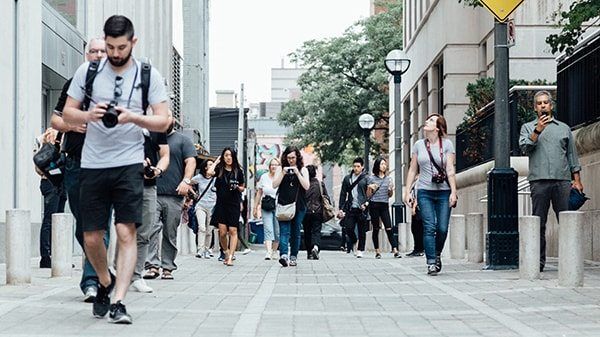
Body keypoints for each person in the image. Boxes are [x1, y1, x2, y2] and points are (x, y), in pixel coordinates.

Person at [63, 15, 170, 324]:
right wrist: (88, 115)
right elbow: (67, 114)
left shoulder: (148, 75)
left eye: (121, 47)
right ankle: (105, 282)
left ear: (132, 42)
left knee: (126, 231)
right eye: (110, 47)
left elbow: (164, 120)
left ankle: (119, 300)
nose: (115, 53)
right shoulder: (89, 71)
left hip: (129, 163)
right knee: (92, 237)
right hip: (93, 163)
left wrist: (133, 118)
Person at [50, 37, 107, 302]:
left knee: (99, 224)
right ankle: (99, 268)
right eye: (92, 51)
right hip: (75, 162)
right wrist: (72, 126)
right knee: (83, 225)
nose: (97, 55)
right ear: (86, 55)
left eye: (101, 51)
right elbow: (55, 119)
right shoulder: (74, 84)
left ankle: (92, 281)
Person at [519, 90, 583, 272]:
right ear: (534, 108)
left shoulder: (563, 128)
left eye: (546, 102)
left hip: (562, 181)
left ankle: (569, 260)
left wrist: (577, 180)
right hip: (538, 182)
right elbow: (525, 147)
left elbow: (572, 155)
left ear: (551, 105)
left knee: (566, 221)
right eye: (539, 103)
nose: (543, 106)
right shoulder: (527, 127)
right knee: (538, 223)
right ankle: (538, 262)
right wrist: (537, 130)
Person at [404, 114, 457, 276]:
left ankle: (437, 253)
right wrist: (407, 191)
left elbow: (450, 169)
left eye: (431, 120)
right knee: (429, 227)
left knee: (441, 228)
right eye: (427, 119)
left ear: (438, 127)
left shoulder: (447, 144)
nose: (427, 121)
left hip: (443, 192)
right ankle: (431, 262)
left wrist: (454, 191)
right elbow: (413, 169)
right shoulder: (419, 145)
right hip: (424, 191)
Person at [144, 116, 196, 280]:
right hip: (152, 191)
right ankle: (152, 265)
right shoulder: (150, 138)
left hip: (174, 194)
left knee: (170, 232)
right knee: (151, 229)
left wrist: (186, 181)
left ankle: (167, 267)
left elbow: (191, 162)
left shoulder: (183, 140)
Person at [129, 129, 169, 293]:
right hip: (123, 183)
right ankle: (117, 272)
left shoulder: (155, 125)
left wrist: (157, 170)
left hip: (148, 186)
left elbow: (165, 155)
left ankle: (137, 276)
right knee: (123, 230)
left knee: (145, 232)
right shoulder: (122, 118)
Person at [34, 127, 67, 269]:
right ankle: (46, 257)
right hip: (50, 183)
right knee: (49, 220)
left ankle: (57, 256)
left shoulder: (66, 137)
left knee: (59, 221)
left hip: (61, 183)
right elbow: (38, 166)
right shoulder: (44, 138)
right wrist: (54, 172)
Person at [207, 147, 246, 266]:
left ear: (233, 157)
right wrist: (217, 161)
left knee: (233, 230)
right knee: (222, 232)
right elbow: (209, 173)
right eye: (226, 155)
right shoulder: (219, 169)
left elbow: (243, 187)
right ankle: (226, 251)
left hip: (234, 203)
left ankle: (231, 257)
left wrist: (237, 187)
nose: (228, 158)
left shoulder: (238, 171)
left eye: (230, 155)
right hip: (221, 204)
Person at [273, 146, 309, 267]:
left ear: (297, 157)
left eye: (293, 158)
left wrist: (298, 173)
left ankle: (293, 256)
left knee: (295, 232)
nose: (291, 160)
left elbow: (306, 186)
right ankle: (283, 255)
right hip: (283, 204)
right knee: (284, 232)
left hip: (299, 205)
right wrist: (282, 173)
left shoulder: (303, 170)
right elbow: (274, 185)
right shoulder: (280, 169)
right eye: (288, 158)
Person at [366, 157, 400, 259]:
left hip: (384, 205)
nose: (384, 166)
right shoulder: (371, 178)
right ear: (377, 166)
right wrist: (370, 188)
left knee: (389, 228)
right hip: (374, 205)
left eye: (385, 164)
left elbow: (389, 195)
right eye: (381, 164)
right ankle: (377, 251)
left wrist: (390, 189)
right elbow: (368, 195)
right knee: (376, 228)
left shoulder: (388, 179)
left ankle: (395, 250)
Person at [338, 157, 369, 258]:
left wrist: (366, 203)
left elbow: (371, 193)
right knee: (348, 228)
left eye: (358, 166)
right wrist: (341, 208)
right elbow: (343, 194)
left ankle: (360, 249)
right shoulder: (348, 178)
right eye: (354, 166)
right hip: (351, 207)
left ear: (362, 167)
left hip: (362, 208)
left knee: (361, 230)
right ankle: (355, 241)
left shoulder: (366, 178)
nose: (356, 168)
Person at [253, 158, 281, 260]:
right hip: (267, 206)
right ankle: (268, 252)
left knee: (277, 231)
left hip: (279, 206)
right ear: (269, 166)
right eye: (272, 165)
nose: (274, 167)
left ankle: (274, 251)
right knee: (268, 228)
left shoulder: (281, 177)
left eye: (276, 165)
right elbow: (259, 192)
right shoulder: (264, 177)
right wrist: (255, 207)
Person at [191, 159, 217, 259]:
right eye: (210, 165)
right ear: (205, 167)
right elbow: (188, 182)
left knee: (209, 230)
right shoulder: (199, 177)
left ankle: (207, 249)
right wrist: (194, 194)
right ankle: (200, 249)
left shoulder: (216, 179)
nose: (212, 166)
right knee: (202, 228)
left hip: (212, 206)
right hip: (200, 205)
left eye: (213, 165)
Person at [303, 164, 330, 260]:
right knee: (316, 231)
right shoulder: (320, 184)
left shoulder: (303, 184)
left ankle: (309, 253)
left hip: (305, 212)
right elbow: (326, 197)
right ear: (315, 173)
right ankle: (316, 247)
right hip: (318, 211)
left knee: (307, 232)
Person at [406, 177, 424, 257]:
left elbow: (418, 194)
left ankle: (420, 249)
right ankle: (417, 249)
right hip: (416, 206)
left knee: (418, 229)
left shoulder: (421, 180)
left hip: (419, 207)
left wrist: (414, 207)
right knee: (415, 229)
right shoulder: (415, 181)